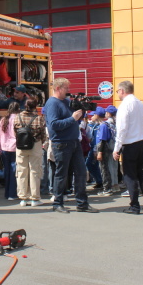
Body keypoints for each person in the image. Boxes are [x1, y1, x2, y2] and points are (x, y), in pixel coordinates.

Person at [44, 77, 98, 213]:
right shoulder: (52, 103)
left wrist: (82, 110)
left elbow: (76, 119)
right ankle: (57, 203)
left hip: (74, 141)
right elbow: (54, 125)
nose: (69, 91)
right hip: (61, 143)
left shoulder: (67, 102)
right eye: (66, 88)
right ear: (58, 88)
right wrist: (72, 118)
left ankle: (82, 203)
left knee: (80, 173)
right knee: (61, 174)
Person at [113, 80, 143, 215]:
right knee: (140, 172)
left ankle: (135, 205)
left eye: (117, 91)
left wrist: (116, 148)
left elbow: (122, 129)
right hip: (142, 142)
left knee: (130, 175)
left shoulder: (125, 106)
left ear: (122, 91)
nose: (117, 93)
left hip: (130, 144)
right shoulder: (140, 104)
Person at [13, 98, 46, 206]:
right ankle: (34, 198)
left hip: (21, 146)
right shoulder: (39, 118)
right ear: (35, 106)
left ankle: (23, 198)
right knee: (34, 171)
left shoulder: (17, 117)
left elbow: (15, 132)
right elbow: (43, 135)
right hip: (35, 145)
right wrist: (41, 142)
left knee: (22, 171)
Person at [0, 102, 21, 200]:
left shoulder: (3, 120)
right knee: (14, 171)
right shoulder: (18, 119)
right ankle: (12, 193)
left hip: (4, 148)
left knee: (7, 170)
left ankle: (7, 193)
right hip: (15, 148)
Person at [96, 105, 119, 195]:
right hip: (114, 146)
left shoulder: (105, 124)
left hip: (106, 147)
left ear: (108, 113)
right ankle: (115, 185)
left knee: (106, 167)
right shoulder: (115, 123)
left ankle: (108, 187)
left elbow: (103, 139)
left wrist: (99, 152)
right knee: (114, 166)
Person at [85, 107, 105, 191]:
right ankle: (99, 181)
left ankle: (100, 181)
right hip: (93, 148)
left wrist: (96, 150)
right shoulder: (95, 125)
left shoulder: (100, 125)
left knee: (91, 164)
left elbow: (98, 139)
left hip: (96, 148)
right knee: (94, 165)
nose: (91, 117)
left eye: (93, 115)